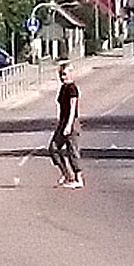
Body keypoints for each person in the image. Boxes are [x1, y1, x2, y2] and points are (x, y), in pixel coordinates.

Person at [49, 61, 83, 189]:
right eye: (60, 75)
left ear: (70, 74)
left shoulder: (72, 88)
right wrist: (60, 123)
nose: (62, 77)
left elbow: (73, 108)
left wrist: (69, 125)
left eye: (64, 74)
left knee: (72, 150)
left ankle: (78, 179)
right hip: (63, 122)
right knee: (53, 148)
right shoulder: (63, 88)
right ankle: (67, 175)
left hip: (71, 122)